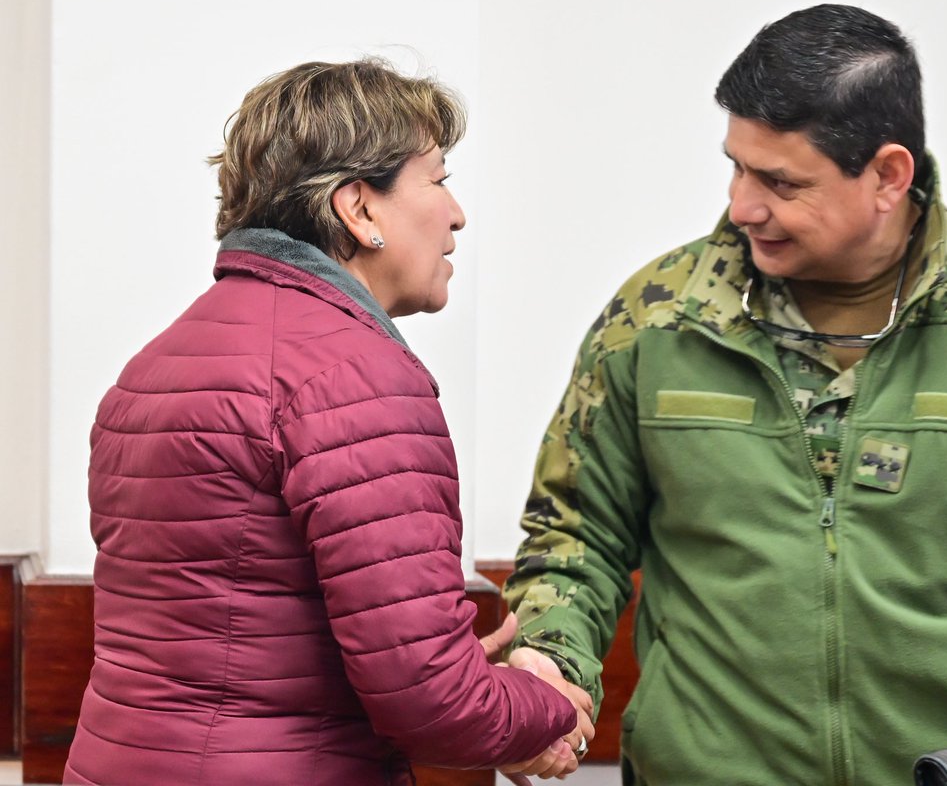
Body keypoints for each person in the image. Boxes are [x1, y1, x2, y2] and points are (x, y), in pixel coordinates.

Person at [503, 3, 947, 785]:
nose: (742, 205)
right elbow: (573, 538)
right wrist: (550, 663)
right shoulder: (657, 319)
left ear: (887, 175)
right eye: (736, 166)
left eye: (780, 181)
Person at [64, 58, 592, 786]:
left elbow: (237, 637)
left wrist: (470, 686)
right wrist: (544, 706)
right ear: (359, 209)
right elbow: (431, 701)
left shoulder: (153, 366)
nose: (457, 213)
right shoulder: (354, 377)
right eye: (438, 180)